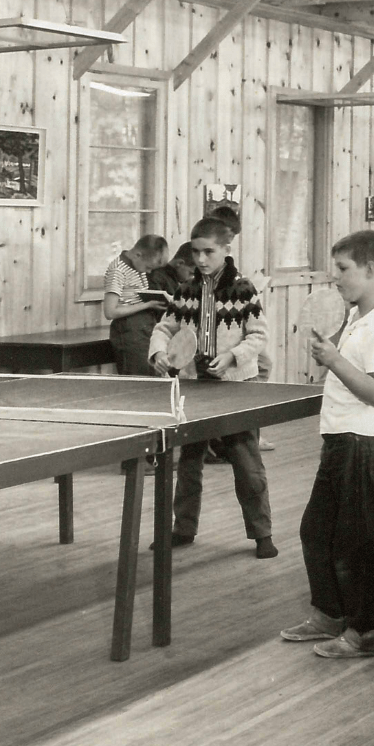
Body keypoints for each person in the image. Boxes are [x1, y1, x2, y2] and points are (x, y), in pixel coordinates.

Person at [283, 230, 374, 659]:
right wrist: (331, 352)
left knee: (360, 541)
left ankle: (368, 631)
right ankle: (330, 613)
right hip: (341, 437)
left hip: (365, 441)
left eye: (343, 269)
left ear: (371, 271)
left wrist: (333, 359)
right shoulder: (357, 317)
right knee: (316, 531)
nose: (336, 278)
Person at [147, 217, 276, 558]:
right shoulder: (185, 290)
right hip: (195, 387)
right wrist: (159, 351)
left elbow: (259, 336)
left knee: (247, 465)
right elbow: (165, 328)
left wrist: (233, 356)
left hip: (236, 388)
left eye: (209, 252)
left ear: (226, 250)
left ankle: (262, 534)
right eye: (196, 252)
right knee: (189, 463)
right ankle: (182, 529)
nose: (201, 259)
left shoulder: (245, 289)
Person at [103, 235, 169, 376]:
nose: (149, 272)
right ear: (138, 255)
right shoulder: (118, 270)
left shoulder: (138, 267)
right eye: (148, 267)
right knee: (137, 376)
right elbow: (110, 312)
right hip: (128, 329)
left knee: (152, 376)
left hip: (145, 327)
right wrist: (147, 305)